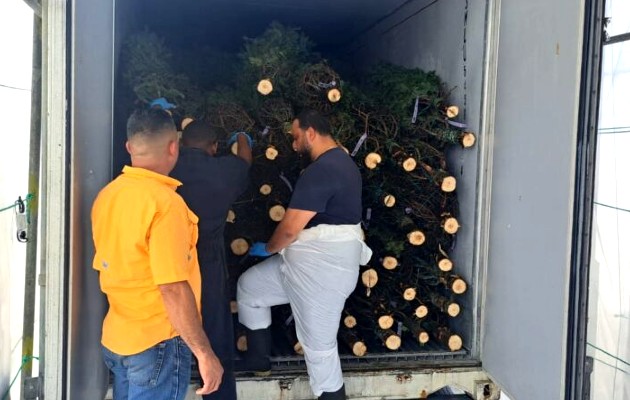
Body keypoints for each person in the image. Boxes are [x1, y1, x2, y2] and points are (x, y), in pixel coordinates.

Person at [236, 109, 372, 400]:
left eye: (297, 137)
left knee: (319, 350)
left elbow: (289, 229)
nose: (294, 145)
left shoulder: (323, 170)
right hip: (300, 268)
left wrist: (268, 248)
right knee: (250, 288)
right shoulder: (341, 163)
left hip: (322, 274)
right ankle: (258, 360)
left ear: (311, 132)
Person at [91, 108, 223, 399]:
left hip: (117, 337)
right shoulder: (165, 205)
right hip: (156, 343)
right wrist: (205, 353)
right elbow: (172, 287)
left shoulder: (107, 196)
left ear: (129, 147)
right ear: (174, 147)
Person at [170, 119, 252, 400]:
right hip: (208, 262)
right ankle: (218, 393)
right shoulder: (223, 171)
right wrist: (242, 135)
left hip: (169, 257)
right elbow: (244, 160)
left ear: (180, 144)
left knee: (169, 321)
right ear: (214, 147)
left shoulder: (168, 166)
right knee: (215, 329)